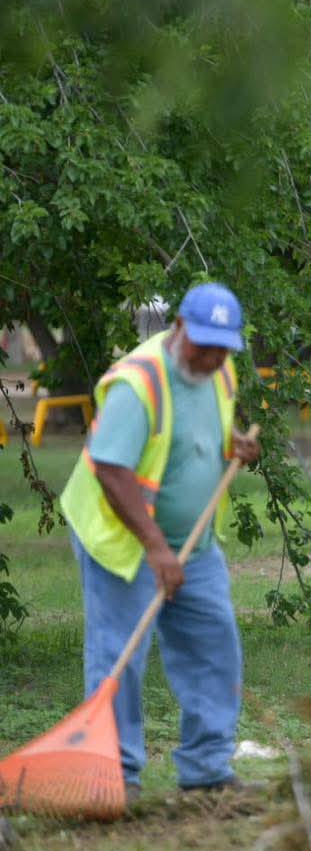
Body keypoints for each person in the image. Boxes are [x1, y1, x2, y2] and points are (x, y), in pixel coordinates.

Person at [58, 282, 261, 802]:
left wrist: (233, 444)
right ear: (178, 329)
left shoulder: (220, 371)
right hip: (123, 541)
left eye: (223, 346)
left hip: (192, 542)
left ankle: (207, 768)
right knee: (119, 657)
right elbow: (111, 467)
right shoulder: (139, 383)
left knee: (214, 644)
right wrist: (154, 547)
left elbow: (194, 434)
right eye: (204, 344)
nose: (214, 356)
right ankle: (115, 776)